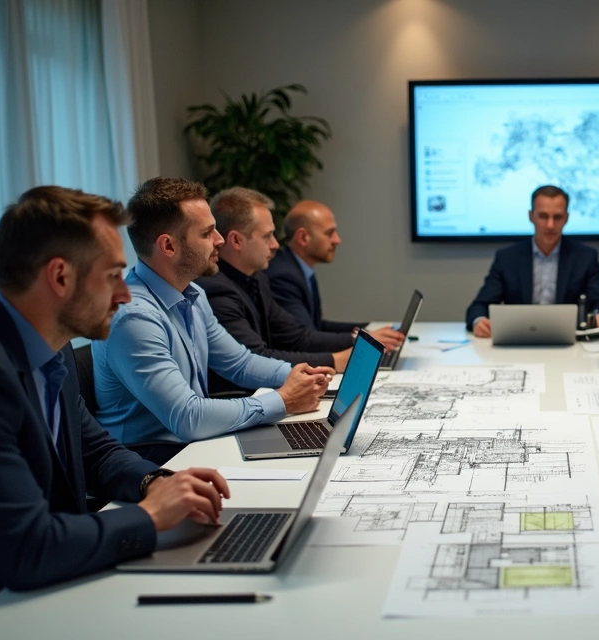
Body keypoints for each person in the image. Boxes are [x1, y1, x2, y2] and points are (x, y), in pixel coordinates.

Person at [0, 187, 231, 639]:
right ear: (59, 277)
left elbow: (94, 449)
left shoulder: (44, 344)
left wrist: (155, 481)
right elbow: (26, 548)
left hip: (50, 578)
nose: (125, 295)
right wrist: (153, 516)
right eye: (114, 276)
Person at [93, 178, 329, 463]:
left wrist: (297, 375)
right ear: (168, 246)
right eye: (207, 233)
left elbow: (239, 362)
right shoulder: (134, 317)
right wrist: (283, 400)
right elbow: (188, 417)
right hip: (152, 462)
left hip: (192, 446)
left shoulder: (193, 295)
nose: (220, 240)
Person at [196, 188, 353, 393]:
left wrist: (352, 343)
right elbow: (254, 359)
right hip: (242, 401)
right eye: (267, 236)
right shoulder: (215, 289)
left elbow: (295, 335)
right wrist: (333, 360)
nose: (275, 245)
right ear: (236, 241)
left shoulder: (256, 278)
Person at [465, 185, 599, 337]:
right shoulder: (507, 257)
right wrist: (479, 321)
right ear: (531, 216)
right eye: (543, 216)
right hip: (519, 339)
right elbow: (479, 306)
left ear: (566, 218)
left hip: (570, 342)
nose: (550, 225)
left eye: (557, 217)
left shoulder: (585, 257)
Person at [266, 200, 405, 350]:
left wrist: (367, 329)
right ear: (303, 237)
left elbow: (317, 325)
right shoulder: (283, 276)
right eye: (329, 233)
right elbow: (304, 338)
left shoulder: (298, 268)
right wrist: (360, 338)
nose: (337, 240)